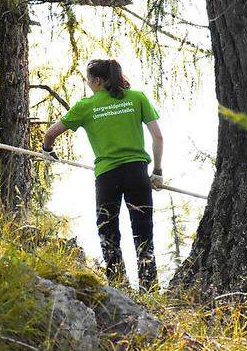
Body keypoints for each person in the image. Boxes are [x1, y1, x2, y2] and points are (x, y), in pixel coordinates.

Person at [41, 59, 164, 289]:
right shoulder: (137, 97)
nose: (88, 84)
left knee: (108, 231)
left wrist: (47, 151)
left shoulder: (86, 106)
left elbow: (50, 134)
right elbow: (158, 137)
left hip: (108, 177)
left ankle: (119, 288)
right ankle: (150, 289)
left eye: (88, 80)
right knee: (143, 232)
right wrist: (157, 171)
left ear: (97, 80)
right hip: (137, 173)